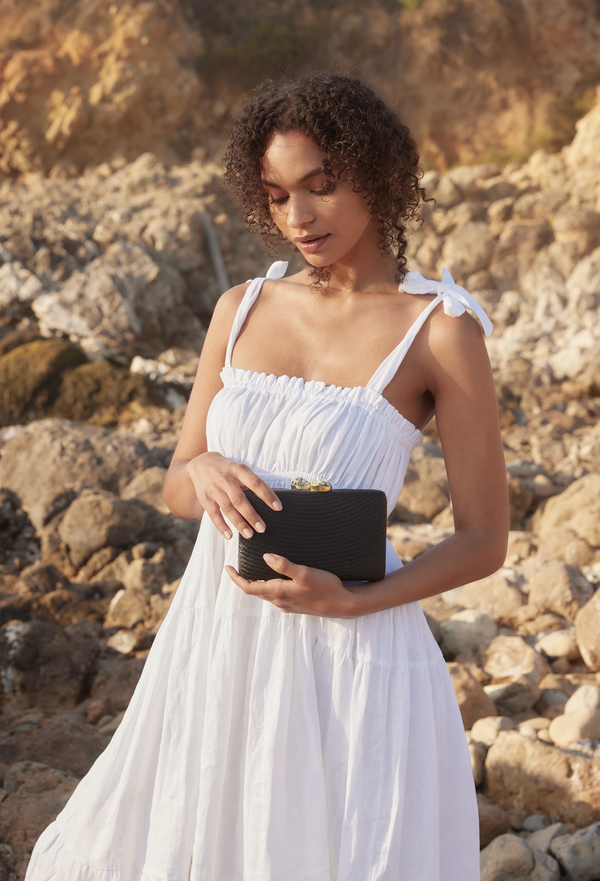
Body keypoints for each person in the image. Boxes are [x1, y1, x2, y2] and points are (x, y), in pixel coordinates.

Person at [26, 73, 509, 881]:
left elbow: (484, 539)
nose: (301, 216)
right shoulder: (242, 305)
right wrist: (205, 465)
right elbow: (179, 488)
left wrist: (353, 599)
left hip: (355, 647)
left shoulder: (442, 329)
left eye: (322, 185)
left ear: (378, 174)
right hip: (219, 640)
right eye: (279, 195)